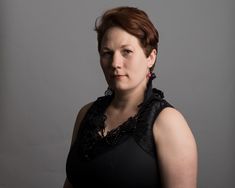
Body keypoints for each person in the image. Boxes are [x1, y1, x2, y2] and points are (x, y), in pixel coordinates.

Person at [63, 6, 197, 188]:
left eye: (126, 52)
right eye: (107, 53)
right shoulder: (86, 114)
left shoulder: (168, 123)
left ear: (150, 57)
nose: (115, 64)